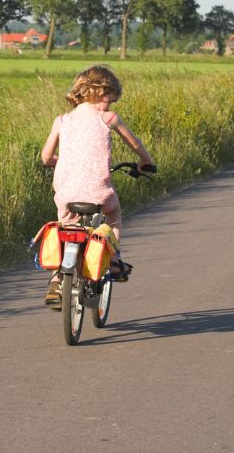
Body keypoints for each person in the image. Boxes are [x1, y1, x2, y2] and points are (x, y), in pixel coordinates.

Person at [40, 64, 155, 306]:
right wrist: (146, 161)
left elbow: (46, 157)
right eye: (109, 101)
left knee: (66, 228)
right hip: (99, 192)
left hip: (65, 194)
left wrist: (60, 162)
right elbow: (134, 143)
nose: (109, 107)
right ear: (98, 92)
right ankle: (113, 260)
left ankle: (56, 280)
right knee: (113, 214)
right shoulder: (108, 119)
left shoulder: (61, 121)